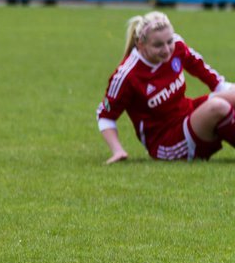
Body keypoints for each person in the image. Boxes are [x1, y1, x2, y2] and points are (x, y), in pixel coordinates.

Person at [98, 11, 235, 164]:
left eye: (169, 41)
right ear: (140, 44)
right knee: (218, 107)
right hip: (165, 143)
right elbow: (105, 116)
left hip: (187, 115)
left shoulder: (177, 46)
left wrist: (228, 90)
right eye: (158, 45)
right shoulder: (127, 75)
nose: (167, 49)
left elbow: (206, 73)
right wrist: (118, 150)